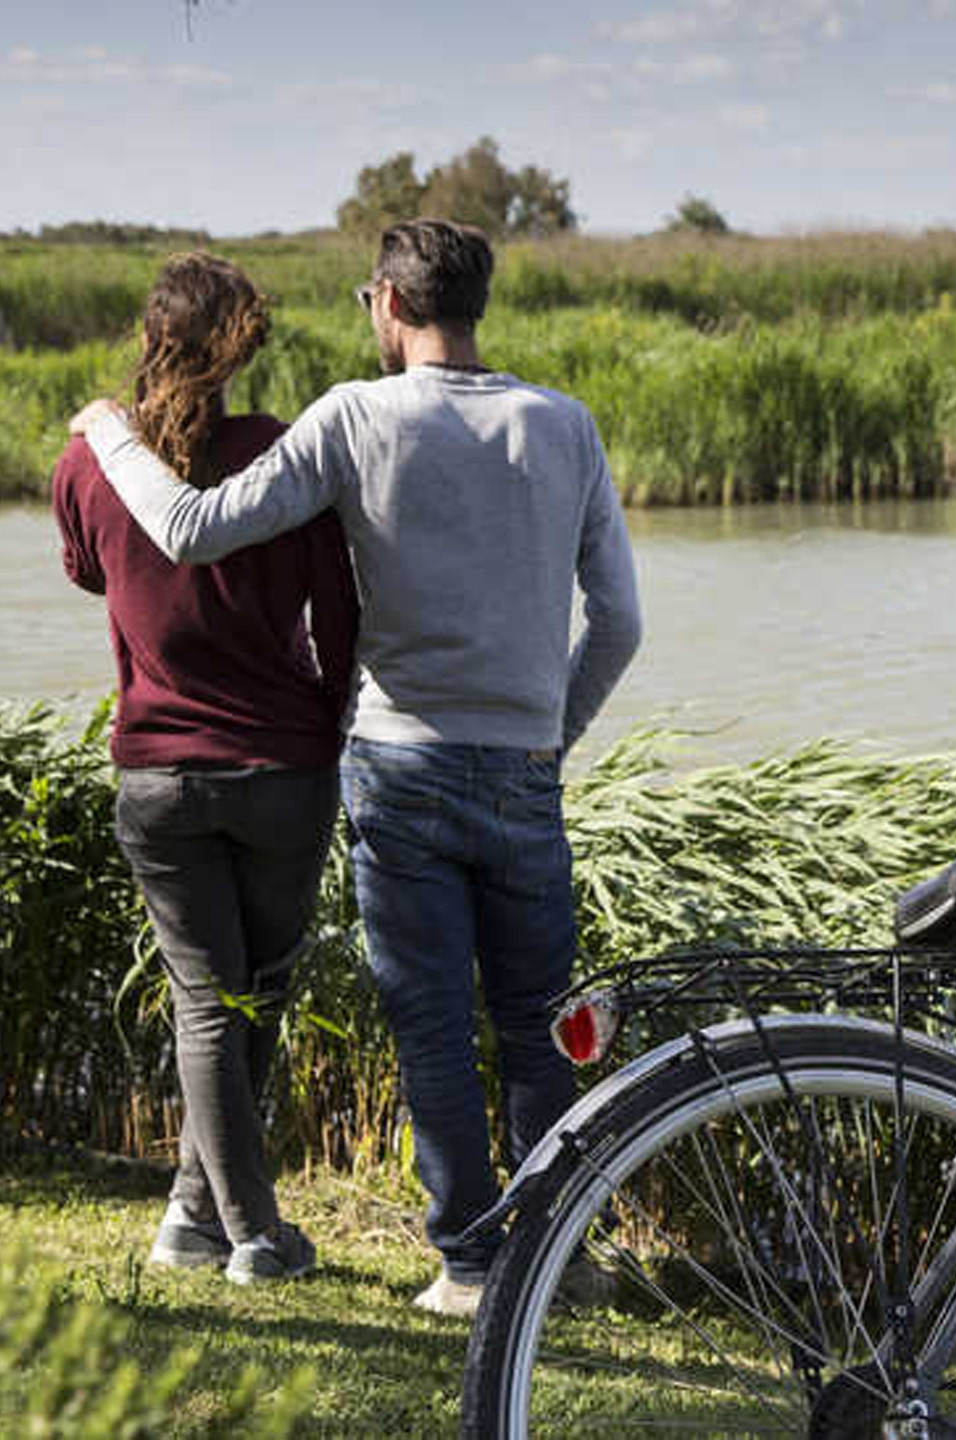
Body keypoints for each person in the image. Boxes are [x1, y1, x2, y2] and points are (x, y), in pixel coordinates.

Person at [73, 219, 643, 1316]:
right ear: (474, 304)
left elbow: (193, 530)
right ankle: (557, 1258)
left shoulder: (355, 417)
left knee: (431, 1023)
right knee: (538, 1023)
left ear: (388, 302)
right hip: (522, 763)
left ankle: (472, 1268)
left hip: (401, 764)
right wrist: (547, 739)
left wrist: (109, 435)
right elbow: (617, 622)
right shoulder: (564, 425)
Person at [54, 253, 358, 1285]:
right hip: (283, 768)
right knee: (249, 999)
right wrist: (327, 718)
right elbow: (340, 605)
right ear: (236, 351)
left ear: (151, 337)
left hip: (158, 774)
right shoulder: (276, 456)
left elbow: (89, 569)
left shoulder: (93, 463)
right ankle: (258, 1237)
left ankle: (195, 1217)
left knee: (216, 1002)